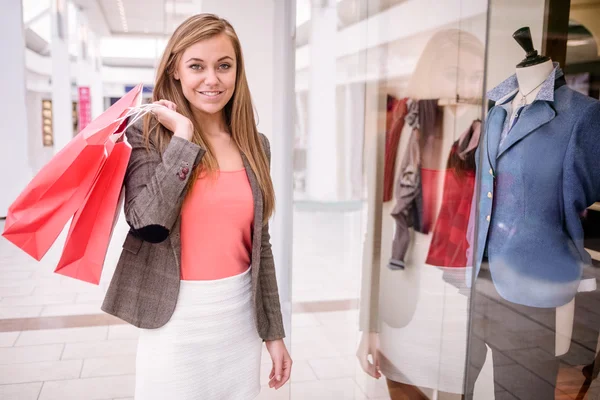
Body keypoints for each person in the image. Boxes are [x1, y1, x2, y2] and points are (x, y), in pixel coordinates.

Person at [100, 13, 292, 399]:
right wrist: (184, 139)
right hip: (175, 317)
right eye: (196, 66)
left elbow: (261, 245)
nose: (212, 79)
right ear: (175, 68)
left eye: (224, 66)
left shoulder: (256, 145)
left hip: (239, 315)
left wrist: (274, 332)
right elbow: (145, 220)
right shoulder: (149, 135)